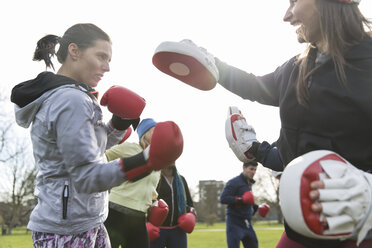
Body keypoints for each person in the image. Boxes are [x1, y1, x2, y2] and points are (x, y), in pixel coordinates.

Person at [153, 0, 372, 247]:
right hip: (300, 232)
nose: (287, 15)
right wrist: (212, 63)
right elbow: (257, 88)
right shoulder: (296, 68)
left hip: (360, 235)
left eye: (294, 2)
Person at [10, 23, 183, 247]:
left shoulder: (71, 95)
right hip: (66, 230)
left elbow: (87, 151)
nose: (107, 67)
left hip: (85, 220)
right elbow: (86, 177)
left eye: (109, 59)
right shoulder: (70, 100)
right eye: (101, 56)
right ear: (74, 51)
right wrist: (146, 160)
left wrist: (116, 126)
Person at [104, 118, 166, 248]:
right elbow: (104, 155)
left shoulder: (158, 160)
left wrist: (154, 202)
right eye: (154, 131)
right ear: (145, 134)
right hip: (116, 212)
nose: (158, 134)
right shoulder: (130, 148)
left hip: (139, 217)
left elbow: (150, 188)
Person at [220, 161, 270, 248]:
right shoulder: (234, 182)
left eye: (255, 169)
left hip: (247, 223)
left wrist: (257, 207)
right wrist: (240, 199)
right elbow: (223, 198)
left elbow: (248, 201)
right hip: (234, 222)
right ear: (244, 168)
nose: (253, 172)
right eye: (251, 169)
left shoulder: (249, 184)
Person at [150, 164, 195, 248]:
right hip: (157, 230)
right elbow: (147, 201)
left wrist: (192, 214)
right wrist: (147, 222)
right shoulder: (154, 179)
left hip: (178, 230)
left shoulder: (181, 180)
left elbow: (189, 203)